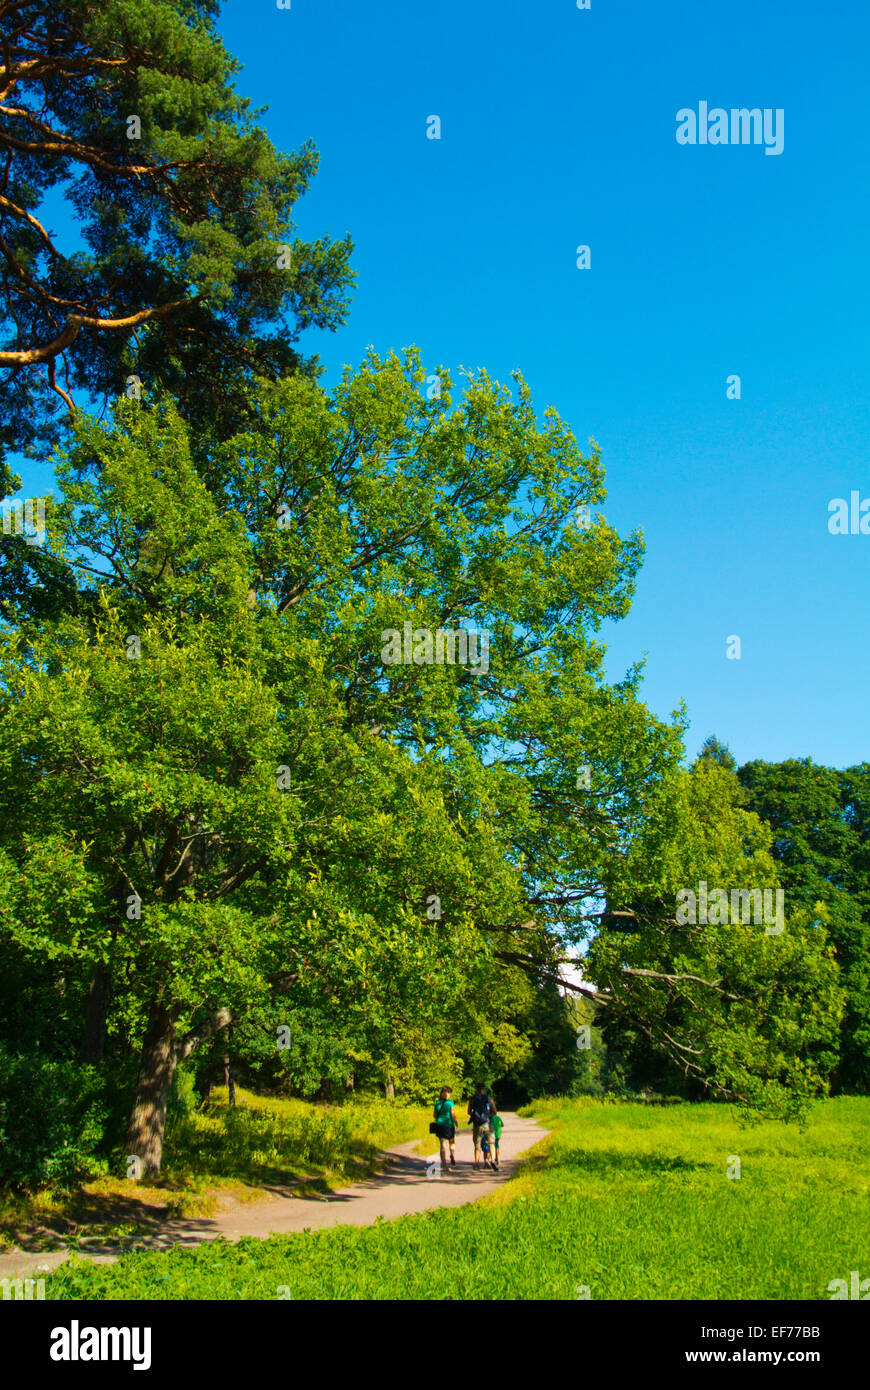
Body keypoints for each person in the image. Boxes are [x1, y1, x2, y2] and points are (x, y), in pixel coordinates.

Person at [467, 1082, 496, 1170]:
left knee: (477, 1145)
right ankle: (493, 1161)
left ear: (476, 1088)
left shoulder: (473, 1099)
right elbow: (494, 1111)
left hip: (477, 1125)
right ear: (484, 1089)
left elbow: (468, 1111)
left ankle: (476, 1164)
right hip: (487, 1123)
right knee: (491, 1143)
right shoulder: (488, 1099)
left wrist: (475, 1115)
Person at [432, 1085, 457, 1171]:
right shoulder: (450, 1103)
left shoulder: (437, 1103)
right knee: (452, 1141)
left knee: (442, 1145)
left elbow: (434, 1115)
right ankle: (452, 1154)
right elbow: (452, 1114)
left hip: (440, 1125)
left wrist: (439, 1117)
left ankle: (444, 1165)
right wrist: (455, 1121)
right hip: (449, 1125)